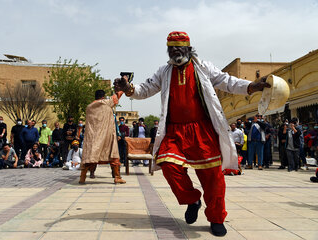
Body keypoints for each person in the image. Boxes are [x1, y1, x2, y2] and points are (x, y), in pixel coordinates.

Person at [113, 31, 270, 236]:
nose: (175, 51)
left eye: (179, 48)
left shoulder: (203, 67)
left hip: (202, 130)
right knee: (167, 164)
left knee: (212, 177)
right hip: (174, 131)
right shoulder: (164, 71)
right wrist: (129, 88)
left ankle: (216, 218)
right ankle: (192, 199)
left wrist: (251, 86)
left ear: (188, 48)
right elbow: (145, 89)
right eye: (171, 48)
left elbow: (227, 81)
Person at [80, 90, 126, 184]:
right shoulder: (106, 103)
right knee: (113, 156)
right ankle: (117, 177)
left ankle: (82, 177)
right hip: (106, 137)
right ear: (103, 97)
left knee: (90, 158)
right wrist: (124, 85)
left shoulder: (88, 107)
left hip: (93, 138)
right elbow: (117, 96)